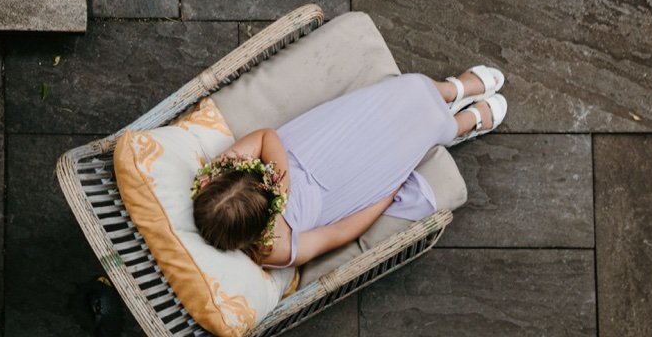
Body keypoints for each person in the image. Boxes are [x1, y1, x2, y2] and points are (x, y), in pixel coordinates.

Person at [191, 67, 506, 266]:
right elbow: (340, 232)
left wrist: (281, 186)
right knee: (413, 138)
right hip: (352, 184)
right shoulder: (277, 249)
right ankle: (457, 126)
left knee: (406, 89)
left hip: (318, 142)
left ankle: (449, 89)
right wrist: (387, 194)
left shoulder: (220, 173)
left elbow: (266, 137)